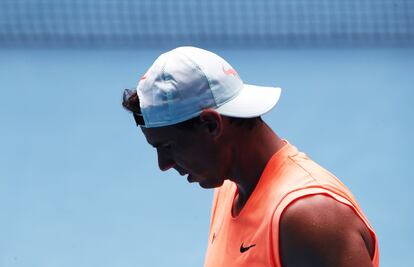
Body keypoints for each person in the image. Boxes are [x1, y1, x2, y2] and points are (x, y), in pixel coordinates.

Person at [122, 46, 379, 267]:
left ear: (211, 125)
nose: (163, 165)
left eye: (168, 146)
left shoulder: (309, 216)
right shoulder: (228, 188)